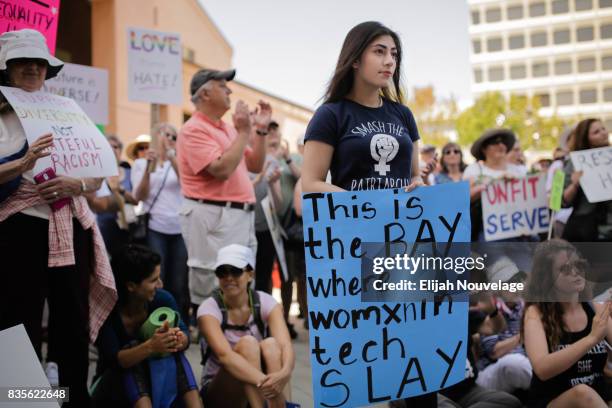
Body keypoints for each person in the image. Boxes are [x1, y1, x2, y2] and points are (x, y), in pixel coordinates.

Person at [301, 20, 436, 406]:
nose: (389, 60)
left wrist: (416, 186)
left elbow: (413, 177)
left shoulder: (402, 114)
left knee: (416, 350)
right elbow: (311, 182)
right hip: (353, 246)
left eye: (394, 53)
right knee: (364, 359)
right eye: (379, 51)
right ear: (355, 58)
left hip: (405, 244)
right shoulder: (331, 114)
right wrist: (363, 206)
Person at [0, 29, 116, 407]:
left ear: (48, 69)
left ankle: (71, 397)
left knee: (72, 320)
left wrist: (76, 182)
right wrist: (23, 163)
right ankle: (26, 400)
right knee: (21, 320)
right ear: (7, 69)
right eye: (22, 62)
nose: (32, 68)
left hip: (70, 223)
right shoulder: (0, 116)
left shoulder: (68, 109)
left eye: (39, 62)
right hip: (21, 225)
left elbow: (98, 170)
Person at [177, 68, 271, 308]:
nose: (229, 90)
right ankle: (212, 340)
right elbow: (220, 170)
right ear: (205, 93)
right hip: (214, 216)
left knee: (239, 284)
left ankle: (234, 338)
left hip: (236, 216)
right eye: (222, 86)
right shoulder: (193, 129)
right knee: (212, 284)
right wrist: (244, 132)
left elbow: (255, 164)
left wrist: (259, 131)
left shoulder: (227, 129)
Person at [93, 244, 202, 408]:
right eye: (153, 280)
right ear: (131, 286)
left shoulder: (162, 300)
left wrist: (178, 339)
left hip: (157, 384)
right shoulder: (107, 311)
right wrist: (150, 347)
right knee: (134, 349)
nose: (160, 284)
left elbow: (185, 336)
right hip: (114, 389)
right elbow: (114, 361)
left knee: (173, 349)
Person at [197, 244, 295, 408]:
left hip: (260, 387)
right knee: (248, 344)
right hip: (219, 390)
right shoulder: (208, 309)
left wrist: (284, 374)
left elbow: (286, 346)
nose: (228, 278)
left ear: (250, 275)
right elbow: (225, 357)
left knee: (272, 345)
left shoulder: (267, 302)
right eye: (222, 272)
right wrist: (267, 382)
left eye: (235, 271)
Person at [521, 239, 611, 408]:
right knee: (582, 393)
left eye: (578, 264)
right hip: (554, 400)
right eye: (565, 269)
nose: (576, 272)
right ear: (547, 277)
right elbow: (542, 369)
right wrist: (591, 339)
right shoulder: (536, 313)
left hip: (600, 397)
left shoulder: (596, 308)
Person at [132, 122, 189, 323]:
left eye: (174, 137)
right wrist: (148, 167)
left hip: (179, 229)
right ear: (156, 137)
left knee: (179, 280)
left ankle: (178, 324)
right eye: (166, 135)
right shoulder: (141, 163)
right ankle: (154, 322)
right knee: (157, 278)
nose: (170, 140)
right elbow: (139, 195)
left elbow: (188, 184)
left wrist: (172, 156)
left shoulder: (180, 162)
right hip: (156, 227)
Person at [463, 128, 527, 242]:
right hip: (488, 233)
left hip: (519, 231)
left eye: (503, 142)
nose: (500, 145)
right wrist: (494, 182)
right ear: (484, 149)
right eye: (495, 142)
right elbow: (463, 199)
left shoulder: (518, 171)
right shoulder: (474, 170)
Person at [562, 118, 612, 242]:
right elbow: (560, 202)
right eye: (596, 132)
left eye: (603, 129)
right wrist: (574, 185)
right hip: (586, 230)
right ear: (585, 138)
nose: (603, 133)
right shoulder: (573, 163)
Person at [96, 134, 136, 257]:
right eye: (109, 146)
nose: (113, 149)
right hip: (103, 227)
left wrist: (120, 189)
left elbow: (136, 200)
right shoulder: (97, 172)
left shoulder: (130, 172)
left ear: (120, 150)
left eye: (116, 146)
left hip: (127, 227)